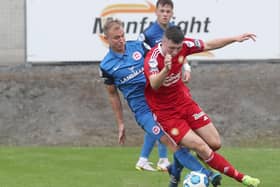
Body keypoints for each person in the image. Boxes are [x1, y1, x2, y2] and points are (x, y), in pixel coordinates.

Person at [99, 18, 221, 187]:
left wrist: (184, 67)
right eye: (116, 38)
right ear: (106, 39)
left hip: (163, 102)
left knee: (183, 142)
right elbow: (113, 95)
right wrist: (120, 123)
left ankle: (174, 176)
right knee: (172, 144)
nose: (121, 40)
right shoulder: (106, 66)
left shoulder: (138, 47)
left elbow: (167, 53)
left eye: (122, 36)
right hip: (144, 111)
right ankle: (206, 174)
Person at [144, 26, 261, 187]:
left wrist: (234, 38)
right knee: (201, 147)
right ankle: (242, 178)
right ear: (163, 42)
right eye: (171, 48)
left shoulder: (184, 46)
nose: (175, 52)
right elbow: (154, 84)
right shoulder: (152, 58)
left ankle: (175, 172)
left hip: (185, 103)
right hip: (167, 114)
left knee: (214, 144)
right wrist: (166, 69)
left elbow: (209, 45)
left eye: (178, 48)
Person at [136, 0, 191, 172]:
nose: (165, 14)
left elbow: (181, 51)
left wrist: (186, 67)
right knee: (161, 120)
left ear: (172, 13)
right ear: (156, 12)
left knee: (158, 121)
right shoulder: (148, 34)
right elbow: (144, 60)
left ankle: (146, 159)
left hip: (171, 81)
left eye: (168, 11)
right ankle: (161, 159)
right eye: (162, 10)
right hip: (155, 83)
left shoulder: (174, 30)